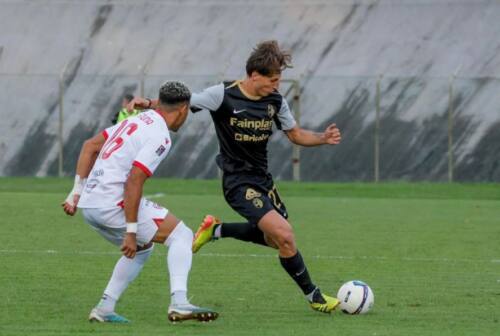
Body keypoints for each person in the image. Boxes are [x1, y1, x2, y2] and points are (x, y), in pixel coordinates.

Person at [128, 40, 342, 314]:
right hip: (237, 182)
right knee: (285, 235)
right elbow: (182, 102)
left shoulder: (275, 101)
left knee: (275, 240)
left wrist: (323, 137)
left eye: (279, 80)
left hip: (263, 180)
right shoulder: (223, 95)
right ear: (254, 75)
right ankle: (315, 296)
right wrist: (147, 103)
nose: (277, 85)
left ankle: (216, 230)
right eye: (273, 80)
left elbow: (295, 134)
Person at [62, 81, 218, 323]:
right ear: (184, 109)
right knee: (182, 235)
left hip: (91, 204)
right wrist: (131, 232)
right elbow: (134, 181)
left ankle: (104, 309)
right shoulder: (160, 136)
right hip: (111, 203)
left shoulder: (135, 119)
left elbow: (89, 146)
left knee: (144, 249)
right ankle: (179, 303)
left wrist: (76, 192)